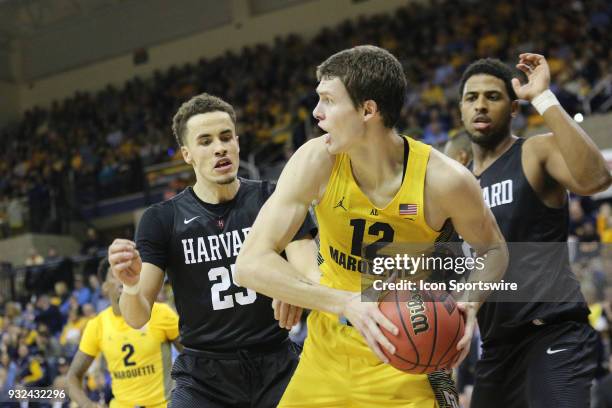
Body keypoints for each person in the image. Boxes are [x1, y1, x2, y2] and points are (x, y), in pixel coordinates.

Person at [235, 45, 508, 407]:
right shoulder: (317, 160)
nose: (316, 114)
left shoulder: (443, 180)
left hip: (409, 351)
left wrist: (469, 304)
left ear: (368, 110)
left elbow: (495, 249)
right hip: (328, 353)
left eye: (328, 101)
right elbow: (249, 264)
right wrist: (342, 302)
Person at [108, 93, 318, 407]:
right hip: (204, 378)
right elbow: (137, 317)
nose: (219, 147)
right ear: (187, 154)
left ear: (237, 142)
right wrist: (130, 283)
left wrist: (290, 285)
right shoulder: (161, 219)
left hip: (276, 363)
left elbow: (310, 273)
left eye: (225, 137)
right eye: (205, 141)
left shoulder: (272, 197)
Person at [457, 55, 612, 407]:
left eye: (492, 97)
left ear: (513, 108)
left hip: (552, 331)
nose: (481, 105)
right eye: (471, 97)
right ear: (460, 109)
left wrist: (543, 97)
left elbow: (597, 179)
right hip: (495, 347)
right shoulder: (461, 184)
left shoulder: (533, 151)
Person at [67, 258, 180, 408]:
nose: (122, 279)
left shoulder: (161, 313)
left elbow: (194, 357)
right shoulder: (97, 325)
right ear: (105, 288)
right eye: (115, 274)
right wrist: (87, 404)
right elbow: (73, 377)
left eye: (127, 272)